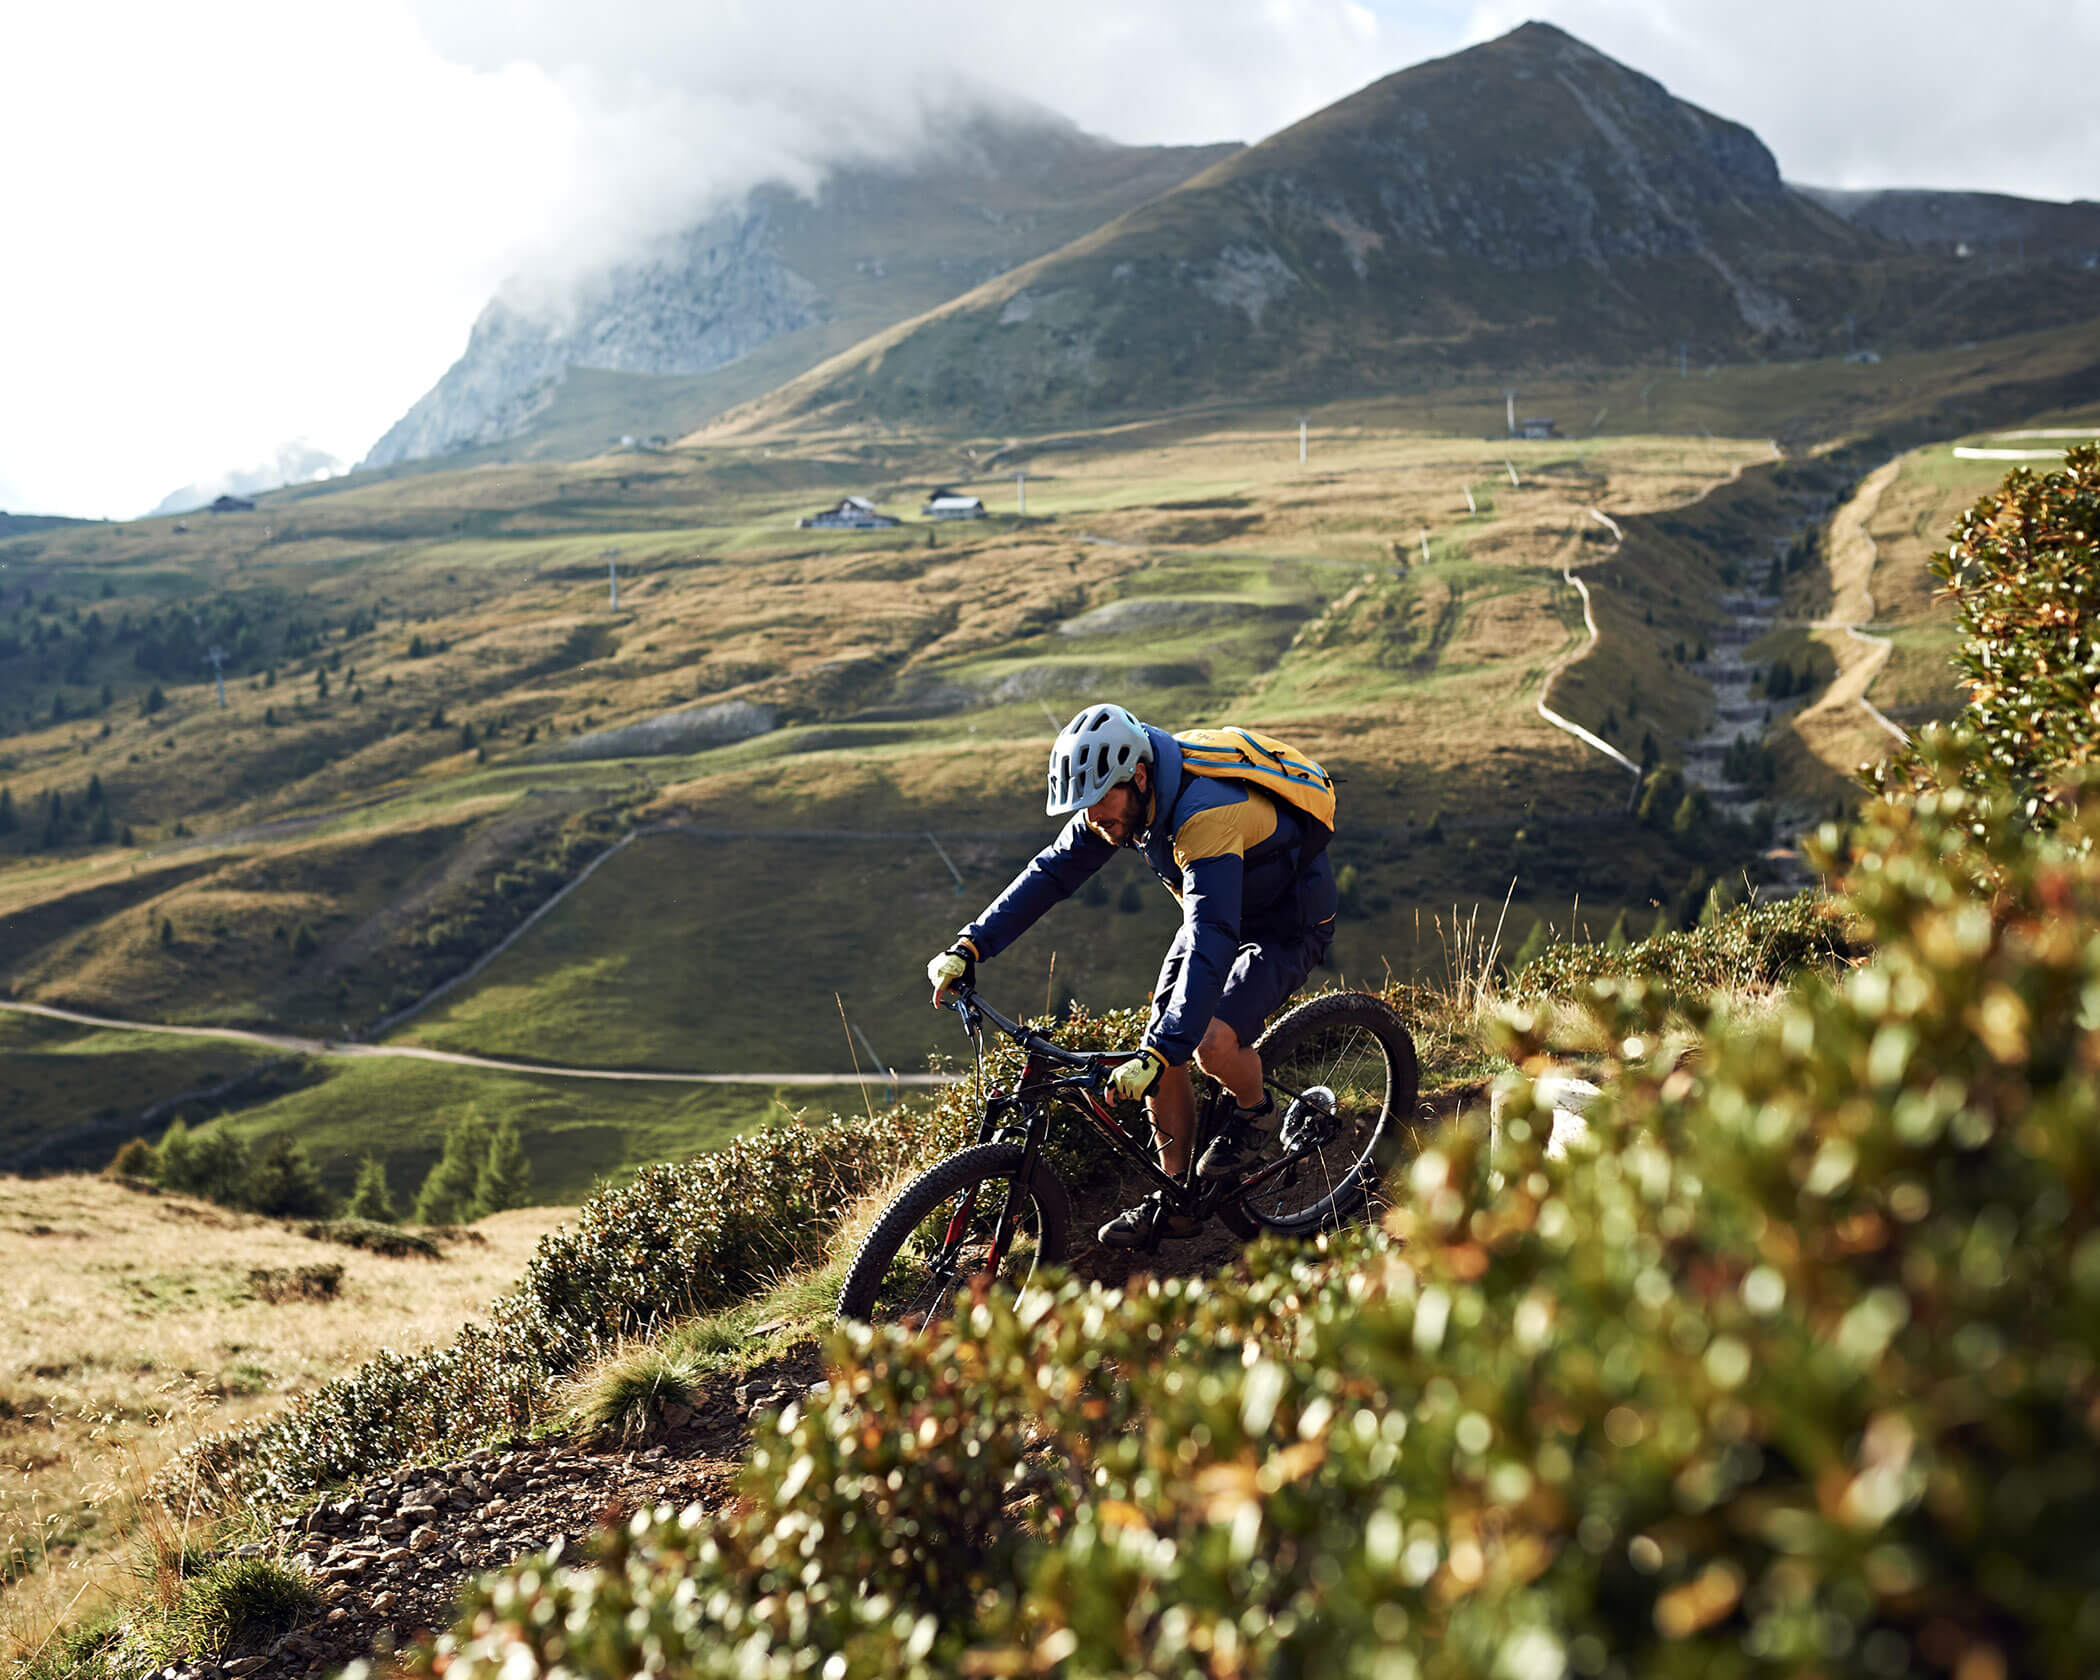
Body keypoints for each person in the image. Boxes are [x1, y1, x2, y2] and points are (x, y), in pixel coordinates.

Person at [926, 703, 1337, 1248]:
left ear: (1139, 776)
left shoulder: (1204, 811)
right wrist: (971, 944)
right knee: (1159, 1049)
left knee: (1207, 1043)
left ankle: (1256, 1111)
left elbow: (1214, 936)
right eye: (1085, 808)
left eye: (1100, 804)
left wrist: (1171, 1045)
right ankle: (1178, 1198)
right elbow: (1051, 873)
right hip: (1217, 908)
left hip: (1287, 921)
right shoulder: (1121, 801)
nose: (1095, 818)